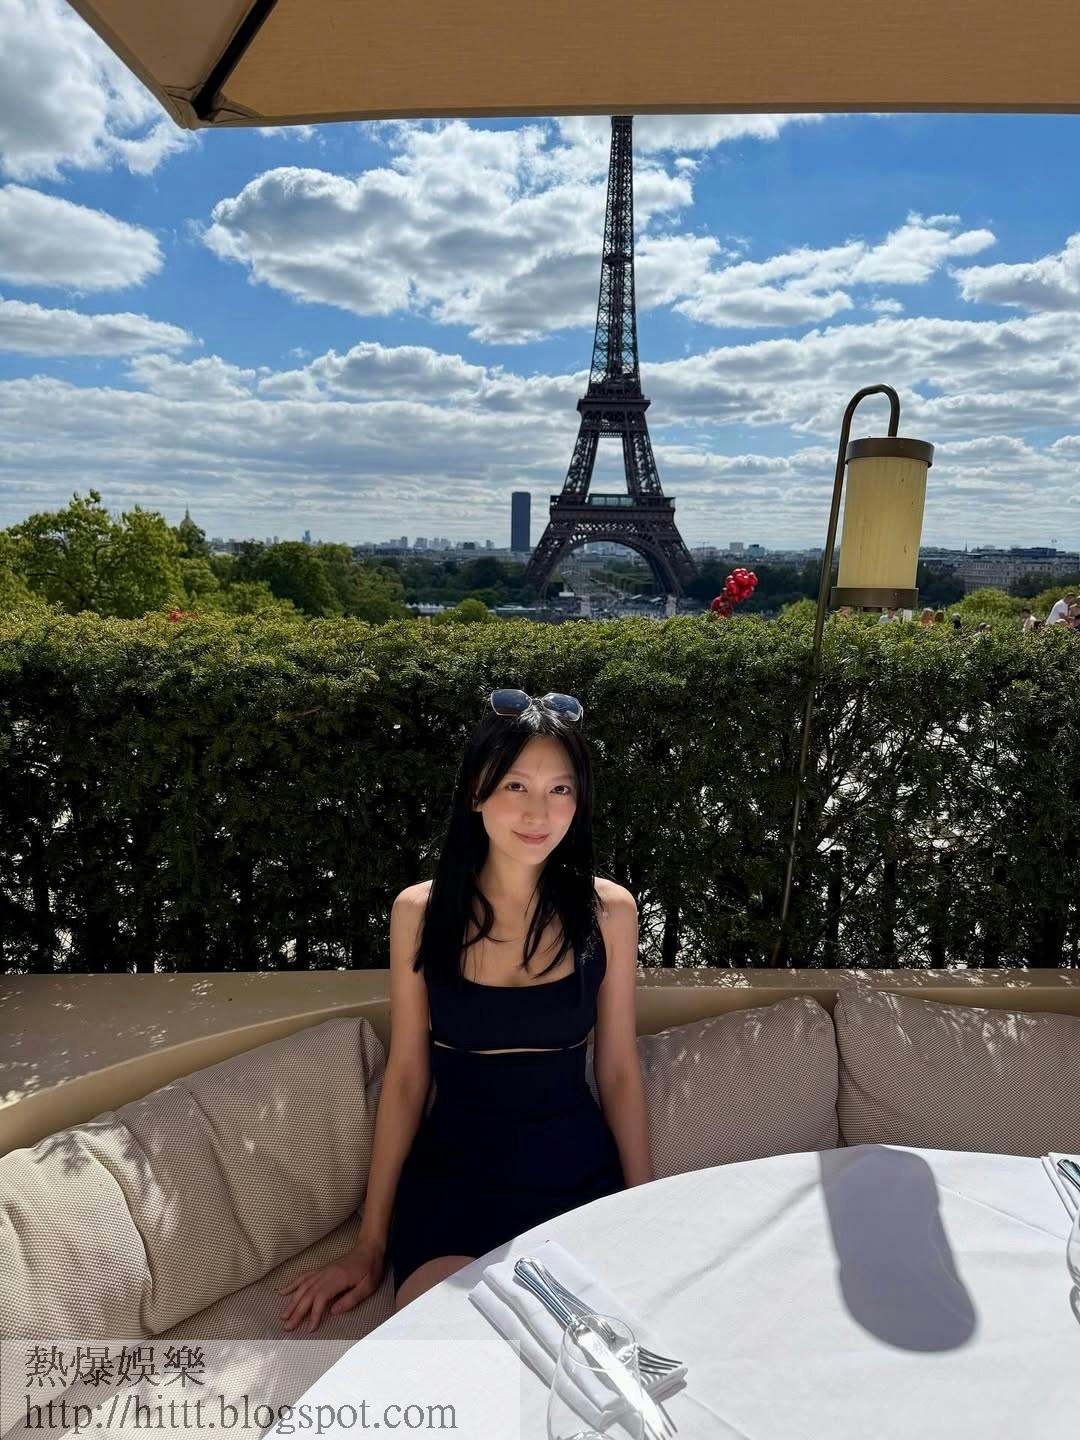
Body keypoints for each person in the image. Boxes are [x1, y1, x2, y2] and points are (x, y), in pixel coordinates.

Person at [278, 688, 652, 1329]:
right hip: (454, 1181)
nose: (539, 812)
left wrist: (646, 1208)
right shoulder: (419, 913)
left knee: (589, 1350)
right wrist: (370, 1243)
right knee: (448, 1343)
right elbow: (406, 1078)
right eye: (516, 786)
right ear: (476, 792)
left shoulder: (610, 912)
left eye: (560, 789)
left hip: (573, 1175)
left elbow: (618, 1071)